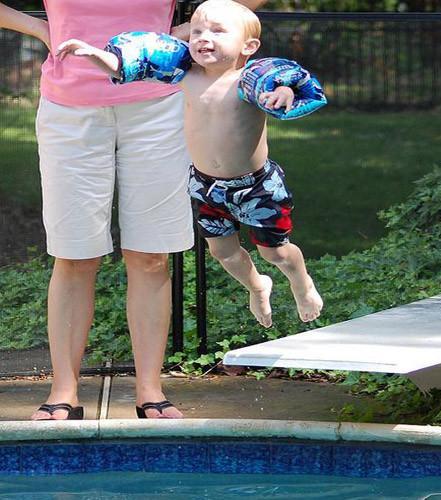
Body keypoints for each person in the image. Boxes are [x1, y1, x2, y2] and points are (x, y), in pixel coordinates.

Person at [0, 0, 267, 421]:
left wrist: (187, 30)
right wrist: (39, 29)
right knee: (74, 256)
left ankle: (150, 391)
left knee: (150, 256)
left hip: (159, 107)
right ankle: (63, 392)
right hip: (69, 110)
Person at [57, 0, 326, 331]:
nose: (203, 37)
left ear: (249, 46)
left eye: (217, 31)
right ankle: (257, 286)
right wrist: (93, 54)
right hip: (206, 187)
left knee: (276, 253)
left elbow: (280, 82)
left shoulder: (248, 80)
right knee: (224, 254)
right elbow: (129, 65)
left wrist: (284, 92)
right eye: (196, 31)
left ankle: (301, 283)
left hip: (255, 188)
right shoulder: (187, 75)